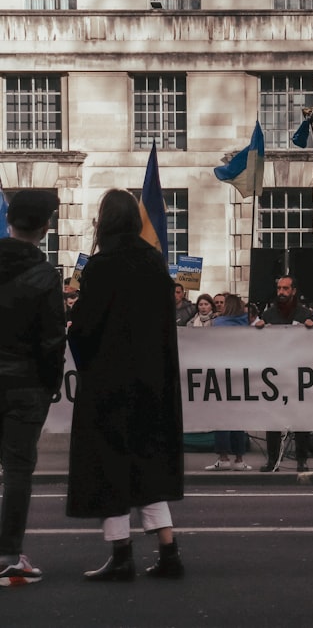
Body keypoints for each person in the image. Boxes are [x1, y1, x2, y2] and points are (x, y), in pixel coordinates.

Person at [66, 189, 184, 581]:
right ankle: (168, 550)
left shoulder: (101, 267)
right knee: (148, 465)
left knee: (109, 467)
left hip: (110, 383)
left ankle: (121, 554)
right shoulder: (154, 263)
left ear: (105, 222)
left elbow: (85, 328)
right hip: (152, 383)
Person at [0, 190, 64, 587]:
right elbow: (52, 340)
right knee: (18, 471)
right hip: (24, 385)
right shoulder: (45, 276)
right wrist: (49, 386)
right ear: (45, 228)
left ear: (9, 222)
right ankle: (8, 555)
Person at [254, 275, 313, 472]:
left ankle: (302, 460)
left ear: (293, 291)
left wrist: (312, 329)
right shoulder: (269, 314)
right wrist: (258, 328)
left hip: (298, 374)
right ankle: (273, 461)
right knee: (273, 420)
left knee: (300, 419)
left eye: (285, 289)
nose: (281, 292)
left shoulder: (304, 313)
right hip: (275, 375)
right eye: (279, 288)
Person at [205, 294, 253, 471]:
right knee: (238, 417)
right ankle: (239, 459)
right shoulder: (247, 323)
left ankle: (223, 457)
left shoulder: (218, 324)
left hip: (221, 374)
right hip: (241, 375)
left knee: (221, 417)